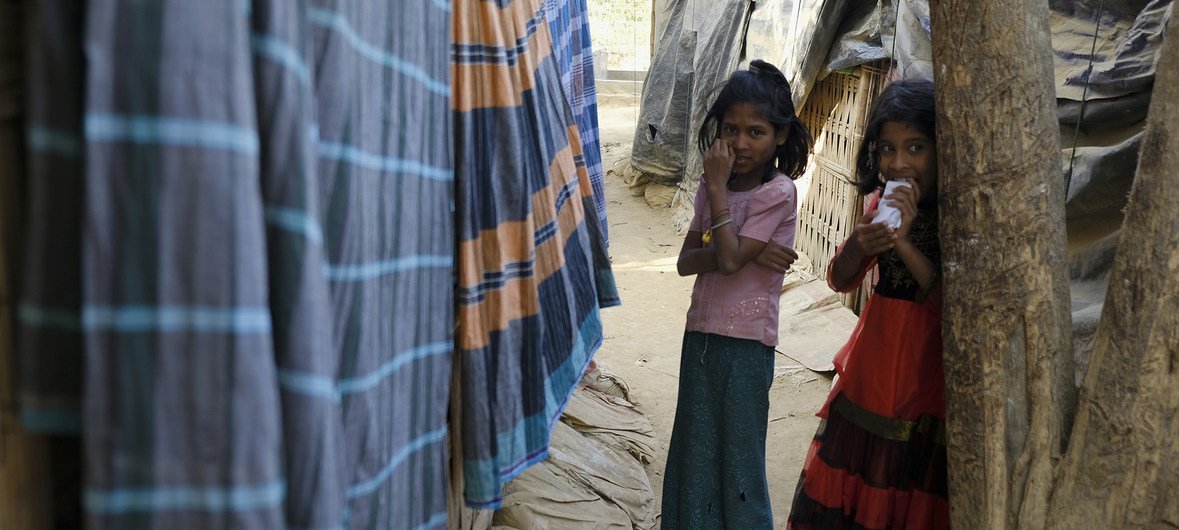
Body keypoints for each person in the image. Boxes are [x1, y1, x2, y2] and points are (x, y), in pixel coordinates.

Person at [786, 78, 948, 530]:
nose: (899, 163)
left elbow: (951, 308)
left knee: (907, 483)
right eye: (887, 149)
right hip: (872, 369)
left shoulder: (961, 215)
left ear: (942, 149)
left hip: (928, 379)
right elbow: (840, 279)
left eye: (915, 147)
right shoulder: (880, 202)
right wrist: (860, 243)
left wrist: (907, 246)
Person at [661, 59, 811, 529]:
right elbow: (687, 262)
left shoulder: (778, 192)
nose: (741, 144)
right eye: (731, 130)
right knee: (694, 450)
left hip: (747, 346)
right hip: (699, 339)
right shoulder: (713, 186)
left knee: (739, 456)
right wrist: (745, 248)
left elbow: (725, 260)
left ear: (781, 136)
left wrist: (727, 232)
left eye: (756, 132)